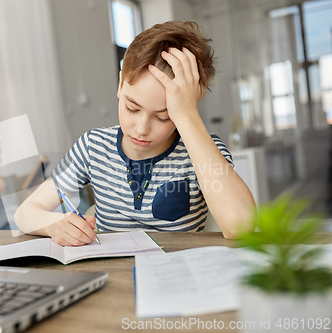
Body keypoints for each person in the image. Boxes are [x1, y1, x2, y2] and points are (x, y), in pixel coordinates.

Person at [14, 21, 255, 245]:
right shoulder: (94, 146)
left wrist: (187, 116)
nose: (141, 129)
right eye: (132, 108)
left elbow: (241, 226)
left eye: (163, 116)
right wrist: (54, 225)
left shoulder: (203, 149)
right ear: (120, 85)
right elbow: (25, 212)